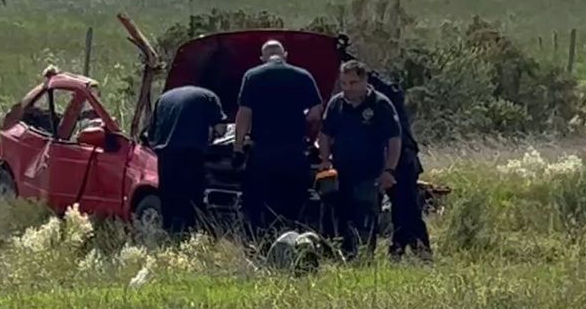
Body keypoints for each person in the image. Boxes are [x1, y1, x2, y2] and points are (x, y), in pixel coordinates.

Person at [233, 40, 324, 238]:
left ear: (262, 58)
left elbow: (244, 114)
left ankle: (260, 243)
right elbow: (316, 113)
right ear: (285, 55)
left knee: (259, 203)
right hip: (294, 152)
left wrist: (238, 147)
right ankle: (290, 241)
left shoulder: (252, 76)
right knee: (293, 203)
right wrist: (302, 124)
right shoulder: (303, 75)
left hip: (263, 152)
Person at [317, 60, 402, 260]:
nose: (348, 88)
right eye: (344, 83)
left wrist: (389, 170)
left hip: (370, 174)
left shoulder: (380, 104)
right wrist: (325, 159)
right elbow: (325, 134)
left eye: (353, 83)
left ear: (365, 81)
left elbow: (394, 140)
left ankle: (364, 260)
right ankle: (341, 259)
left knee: (365, 219)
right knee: (339, 219)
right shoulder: (336, 104)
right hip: (341, 173)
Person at [143, 85, 227, 238]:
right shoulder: (210, 97)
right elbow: (221, 129)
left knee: (169, 199)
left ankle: (169, 235)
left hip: (166, 156)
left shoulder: (163, 98)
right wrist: (213, 137)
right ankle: (190, 235)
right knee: (191, 200)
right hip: (191, 155)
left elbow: (151, 133)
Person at [368, 70, 432, 260]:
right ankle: (401, 250)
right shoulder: (384, 95)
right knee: (404, 208)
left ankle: (415, 250)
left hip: (401, 158)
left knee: (406, 207)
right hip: (396, 157)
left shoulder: (383, 100)